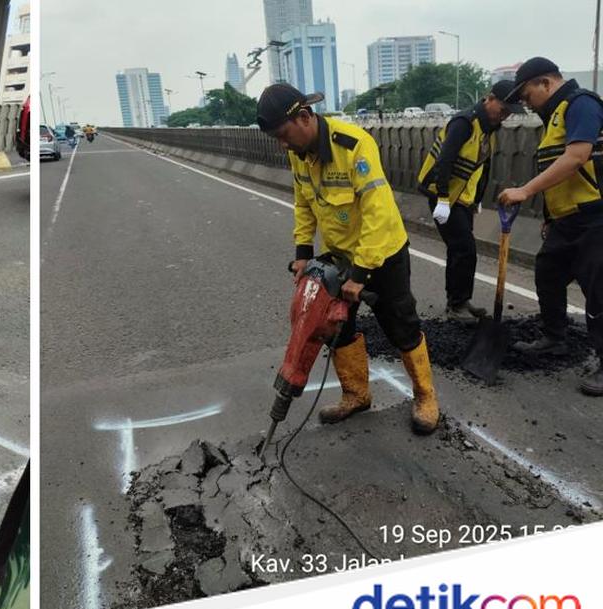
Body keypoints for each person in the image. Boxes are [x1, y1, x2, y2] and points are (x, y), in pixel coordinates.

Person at [256, 84, 439, 434]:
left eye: (284, 134)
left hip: (382, 253)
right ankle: (356, 395)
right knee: (335, 327)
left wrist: (360, 274)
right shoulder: (298, 153)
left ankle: (425, 396)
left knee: (401, 326)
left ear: (305, 117)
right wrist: (302, 253)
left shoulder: (353, 146)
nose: (283, 144)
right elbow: (304, 203)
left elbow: (377, 212)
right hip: (340, 255)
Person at [498, 57, 603, 396]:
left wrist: (525, 190)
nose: (525, 103)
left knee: (598, 290)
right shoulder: (554, 116)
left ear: (545, 82)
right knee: (547, 271)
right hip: (566, 220)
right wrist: (549, 215)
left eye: (527, 95)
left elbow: (576, 158)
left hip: (595, 217)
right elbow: (557, 168)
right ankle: (555, 338)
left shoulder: (581, 104)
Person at [417, 81, 525, 323]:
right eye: (503, 109)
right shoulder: (464, 123)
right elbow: (445, 161)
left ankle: (460, 301)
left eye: (509, 112)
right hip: (441, 195)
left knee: (461, 250)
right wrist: (442, 199)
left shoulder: (489, 129)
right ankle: (456, 305)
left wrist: (477, 200)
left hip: (462, 200)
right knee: (464, 249)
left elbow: (482, 168)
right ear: (489, 99)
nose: (505, 115)